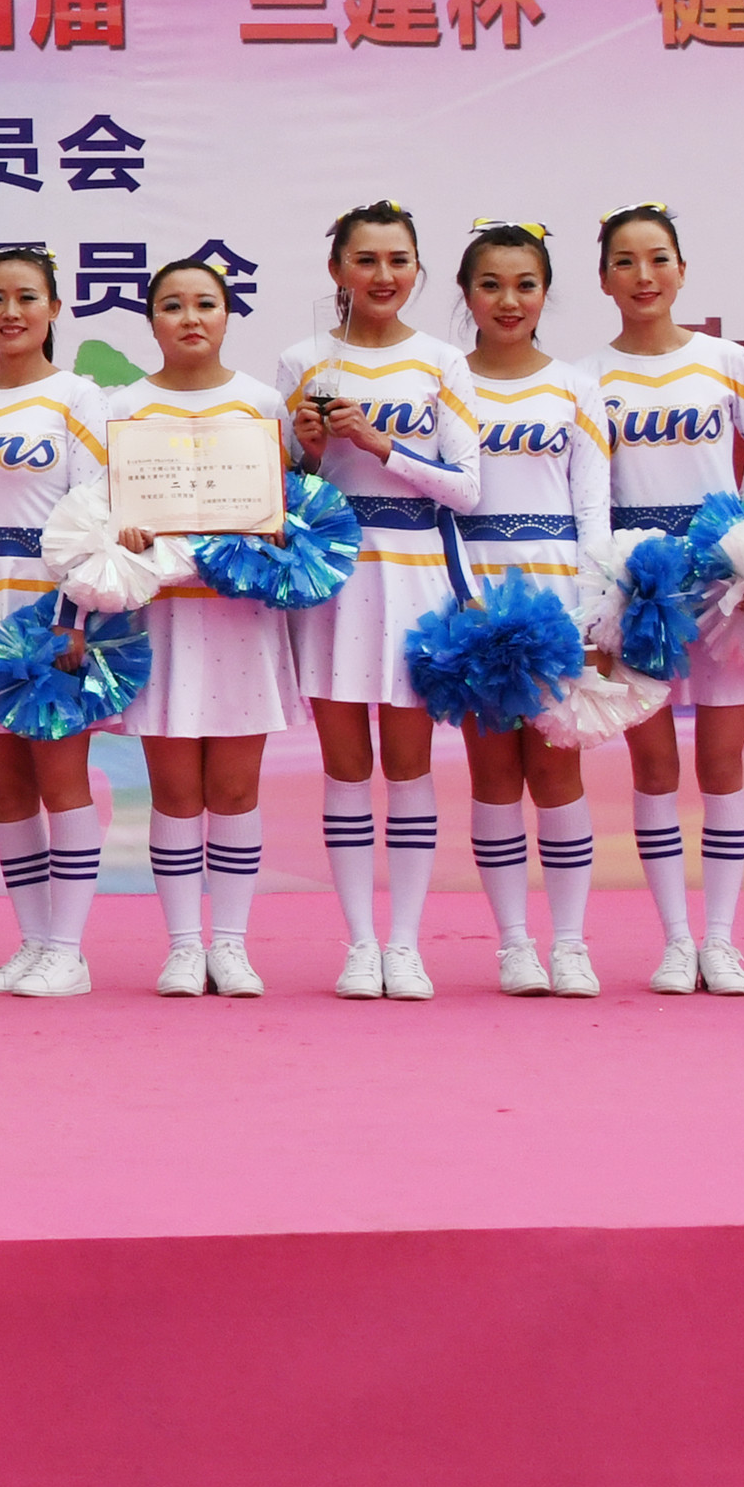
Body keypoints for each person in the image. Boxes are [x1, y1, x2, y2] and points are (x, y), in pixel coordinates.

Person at [579, 204, 744, 995]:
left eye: (658, 259)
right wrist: (598, 582)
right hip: (635, 586)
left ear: (681, 269)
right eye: (625, 262)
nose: (644, 276)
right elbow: (584, 493)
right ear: (603, 279)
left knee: (722, 761)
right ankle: (674, 941)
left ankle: (721, 941)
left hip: (717, 585)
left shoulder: (724, 360)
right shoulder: (585, 376)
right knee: (654, 763)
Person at [277, 200, 478, 1002]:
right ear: (336, 271)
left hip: (415, 576)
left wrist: (378, 444)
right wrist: (308, 453)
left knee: (407, 763)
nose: (382, 275)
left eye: (398, 261)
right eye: (365, 260)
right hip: (332, 579)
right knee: (345, 766)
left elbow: (466, 489)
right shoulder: (301, 361)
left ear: (418, 269)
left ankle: (405, 944)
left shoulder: (441, 362)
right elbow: (278, 494)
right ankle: (359, 943)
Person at [108, 249, 293, 998]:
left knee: (237, 789)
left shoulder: (262, 404)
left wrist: (279, 527)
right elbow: (95, 513)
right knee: (175, 790)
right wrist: (118, 535)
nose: (190, 318)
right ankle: (184, 946)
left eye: (205, 304)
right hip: (162, 622)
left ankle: (232, 946)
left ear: (227, 315)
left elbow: (299, 508)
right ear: (152, 321)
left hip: (240, 619)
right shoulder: (123, 407)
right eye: (173, 306)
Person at [0, 248, 112, 998]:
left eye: (27, 298)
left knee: (60, 777)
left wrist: (72, 617)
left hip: (49, 610)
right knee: (5, 783)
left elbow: (95, 512)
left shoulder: (77, 397)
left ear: (54, 309)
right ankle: (33, 943)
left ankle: (68, 950)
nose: (11, 312)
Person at [450, 225, 613, 1000]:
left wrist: (593, 612)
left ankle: (570, 944)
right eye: (490, 285)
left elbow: (593, 509)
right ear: (465, 293)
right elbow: (439, 500)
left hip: (555, 596)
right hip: (471, 596)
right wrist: (460, 600)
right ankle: (513, 945)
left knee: (556, 771)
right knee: (491, 774)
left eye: (524, 284)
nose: (507, 301)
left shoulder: (574, 388)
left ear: (546, 293)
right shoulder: (445, 384)